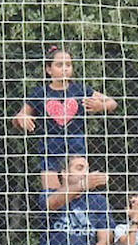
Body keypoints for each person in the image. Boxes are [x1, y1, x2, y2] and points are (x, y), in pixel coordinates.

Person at [13, 46, 116, 191]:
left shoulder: (81, 90)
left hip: (76, 153)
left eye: (68, 65)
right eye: (59, 65)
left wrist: (101, 106)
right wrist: (22, 118)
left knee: (77, 194)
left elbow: (112, 102)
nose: (65, 68)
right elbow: (19, 117)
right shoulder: (40, 93)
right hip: (50, 153)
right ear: (48, 70)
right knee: (53, 198)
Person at [28, 155, 112, 245]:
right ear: (65, 173)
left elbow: (104, 241)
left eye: (87, 169)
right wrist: (83, 185)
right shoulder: (49, 194)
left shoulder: (99, 201)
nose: (85, 173)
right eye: (79, 168)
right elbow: (52, 204)